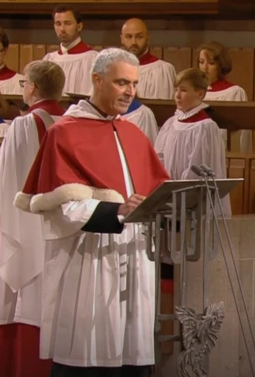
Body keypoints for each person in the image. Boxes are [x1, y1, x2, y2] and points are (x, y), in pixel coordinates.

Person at [14, 48, 169, 376]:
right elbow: (64, 207)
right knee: (90, 352)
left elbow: (156, 189)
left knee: (133, 353)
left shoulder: (132, 133)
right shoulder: (65, 133)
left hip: (135, 256)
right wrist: (116, 209)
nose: (130, 92)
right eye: (121, 83)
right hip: (90, 259)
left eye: (134, 84)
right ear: (97, 80)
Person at [0, 60, 66, 377]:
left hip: (27, 223)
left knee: (25, 297)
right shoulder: (71, 121)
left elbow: (8, 180)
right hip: (62, 229)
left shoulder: (24, 124)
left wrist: (2, 215)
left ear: (32, 87)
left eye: (24, 84)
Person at [154, 68, 231, 217]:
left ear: (200, 93)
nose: (177, 95)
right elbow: (159, 158)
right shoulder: (171, 123)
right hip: (168, 198)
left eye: (183, 90)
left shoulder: (205, 127)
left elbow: (197, 168)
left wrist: (179, 196)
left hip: (189, 204)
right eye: (176, 89)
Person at [198, 41, 251, 152]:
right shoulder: (195, 92)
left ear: (221, 65)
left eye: (211, 63)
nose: (204, 67)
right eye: (201, 62)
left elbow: (241, 134)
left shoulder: (234, 92)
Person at [43, 5, 98, 96]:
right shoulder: (48, 60)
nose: (62, 29)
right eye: (58, 24)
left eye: (67, 23)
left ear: (79, 26)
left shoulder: (94, 59)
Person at [120, 18, 176, 100]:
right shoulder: (113, 71)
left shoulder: (164, 70)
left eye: (139, 37)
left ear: (148, 38)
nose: (133, 42)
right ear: (122, 39)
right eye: (128, 37)